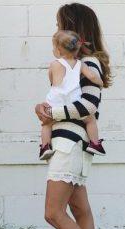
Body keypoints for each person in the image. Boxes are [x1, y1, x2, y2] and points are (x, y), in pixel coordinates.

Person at [35, 3, 113, 229]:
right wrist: (44, 108)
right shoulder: (74, 65)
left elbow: (89, 105)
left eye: (60, 25)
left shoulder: (88, 63)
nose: (57, 31)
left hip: (70, 143)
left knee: (53, 212)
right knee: (80, 211)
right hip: (71, 142)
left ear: (73, 28)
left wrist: (50, 114)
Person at [39, 30, 106, 160]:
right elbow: (92, 76)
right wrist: (100, 82)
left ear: (58, 50)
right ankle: (95, 143)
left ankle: (45, 147)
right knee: (90, 119)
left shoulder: (54, 64)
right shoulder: (81, 64)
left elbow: (52, 81)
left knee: (46, 124)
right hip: (73, 102)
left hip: (55, 103)